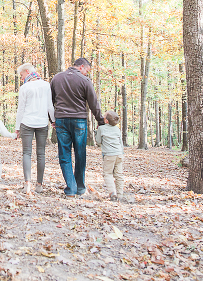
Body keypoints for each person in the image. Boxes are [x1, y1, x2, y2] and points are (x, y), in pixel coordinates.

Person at [50, 57, 105, 197]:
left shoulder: (57, 78)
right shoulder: (85, 80)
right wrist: (101, 121)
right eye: (87, 70)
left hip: (61, 119)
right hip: (79, 120)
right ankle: (80, 187)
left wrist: (51, 119)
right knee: (80, 154)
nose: (86, 73)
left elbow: (49, 101)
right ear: (81, 67)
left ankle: (71, 189)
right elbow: (94, 103)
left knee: (64, 155)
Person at [15, 63, 55, 195]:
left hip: (27, 122)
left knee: (26, 153)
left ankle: (27, 183)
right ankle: (39, 184)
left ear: (27, 71)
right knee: (41, 153)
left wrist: (17, 127)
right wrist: (53, 121)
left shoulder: (25, 87)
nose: (21, 78)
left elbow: (21, 109)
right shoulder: (46, 85)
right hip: (42, 123)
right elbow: (50, 106)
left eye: (22, 75)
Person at [94, 111, 125, 201]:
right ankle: (120, 195)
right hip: (119, 154)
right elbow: (120, 142)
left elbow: (98, 142)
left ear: (106, 121)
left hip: (109, 155)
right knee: (119, 175)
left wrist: (97, 132)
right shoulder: (117, 129)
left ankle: (112, 192)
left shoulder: (101, 128)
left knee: (107, 173)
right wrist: (122, 153)